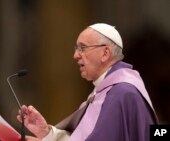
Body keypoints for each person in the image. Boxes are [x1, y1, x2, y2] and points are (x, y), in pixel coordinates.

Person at [17, 23, 158, 141]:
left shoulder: (121, 94)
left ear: (105, 53)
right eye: (76, 49)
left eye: (82, 48)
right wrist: (46, 133)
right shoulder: (103, 92)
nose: (75, 55)